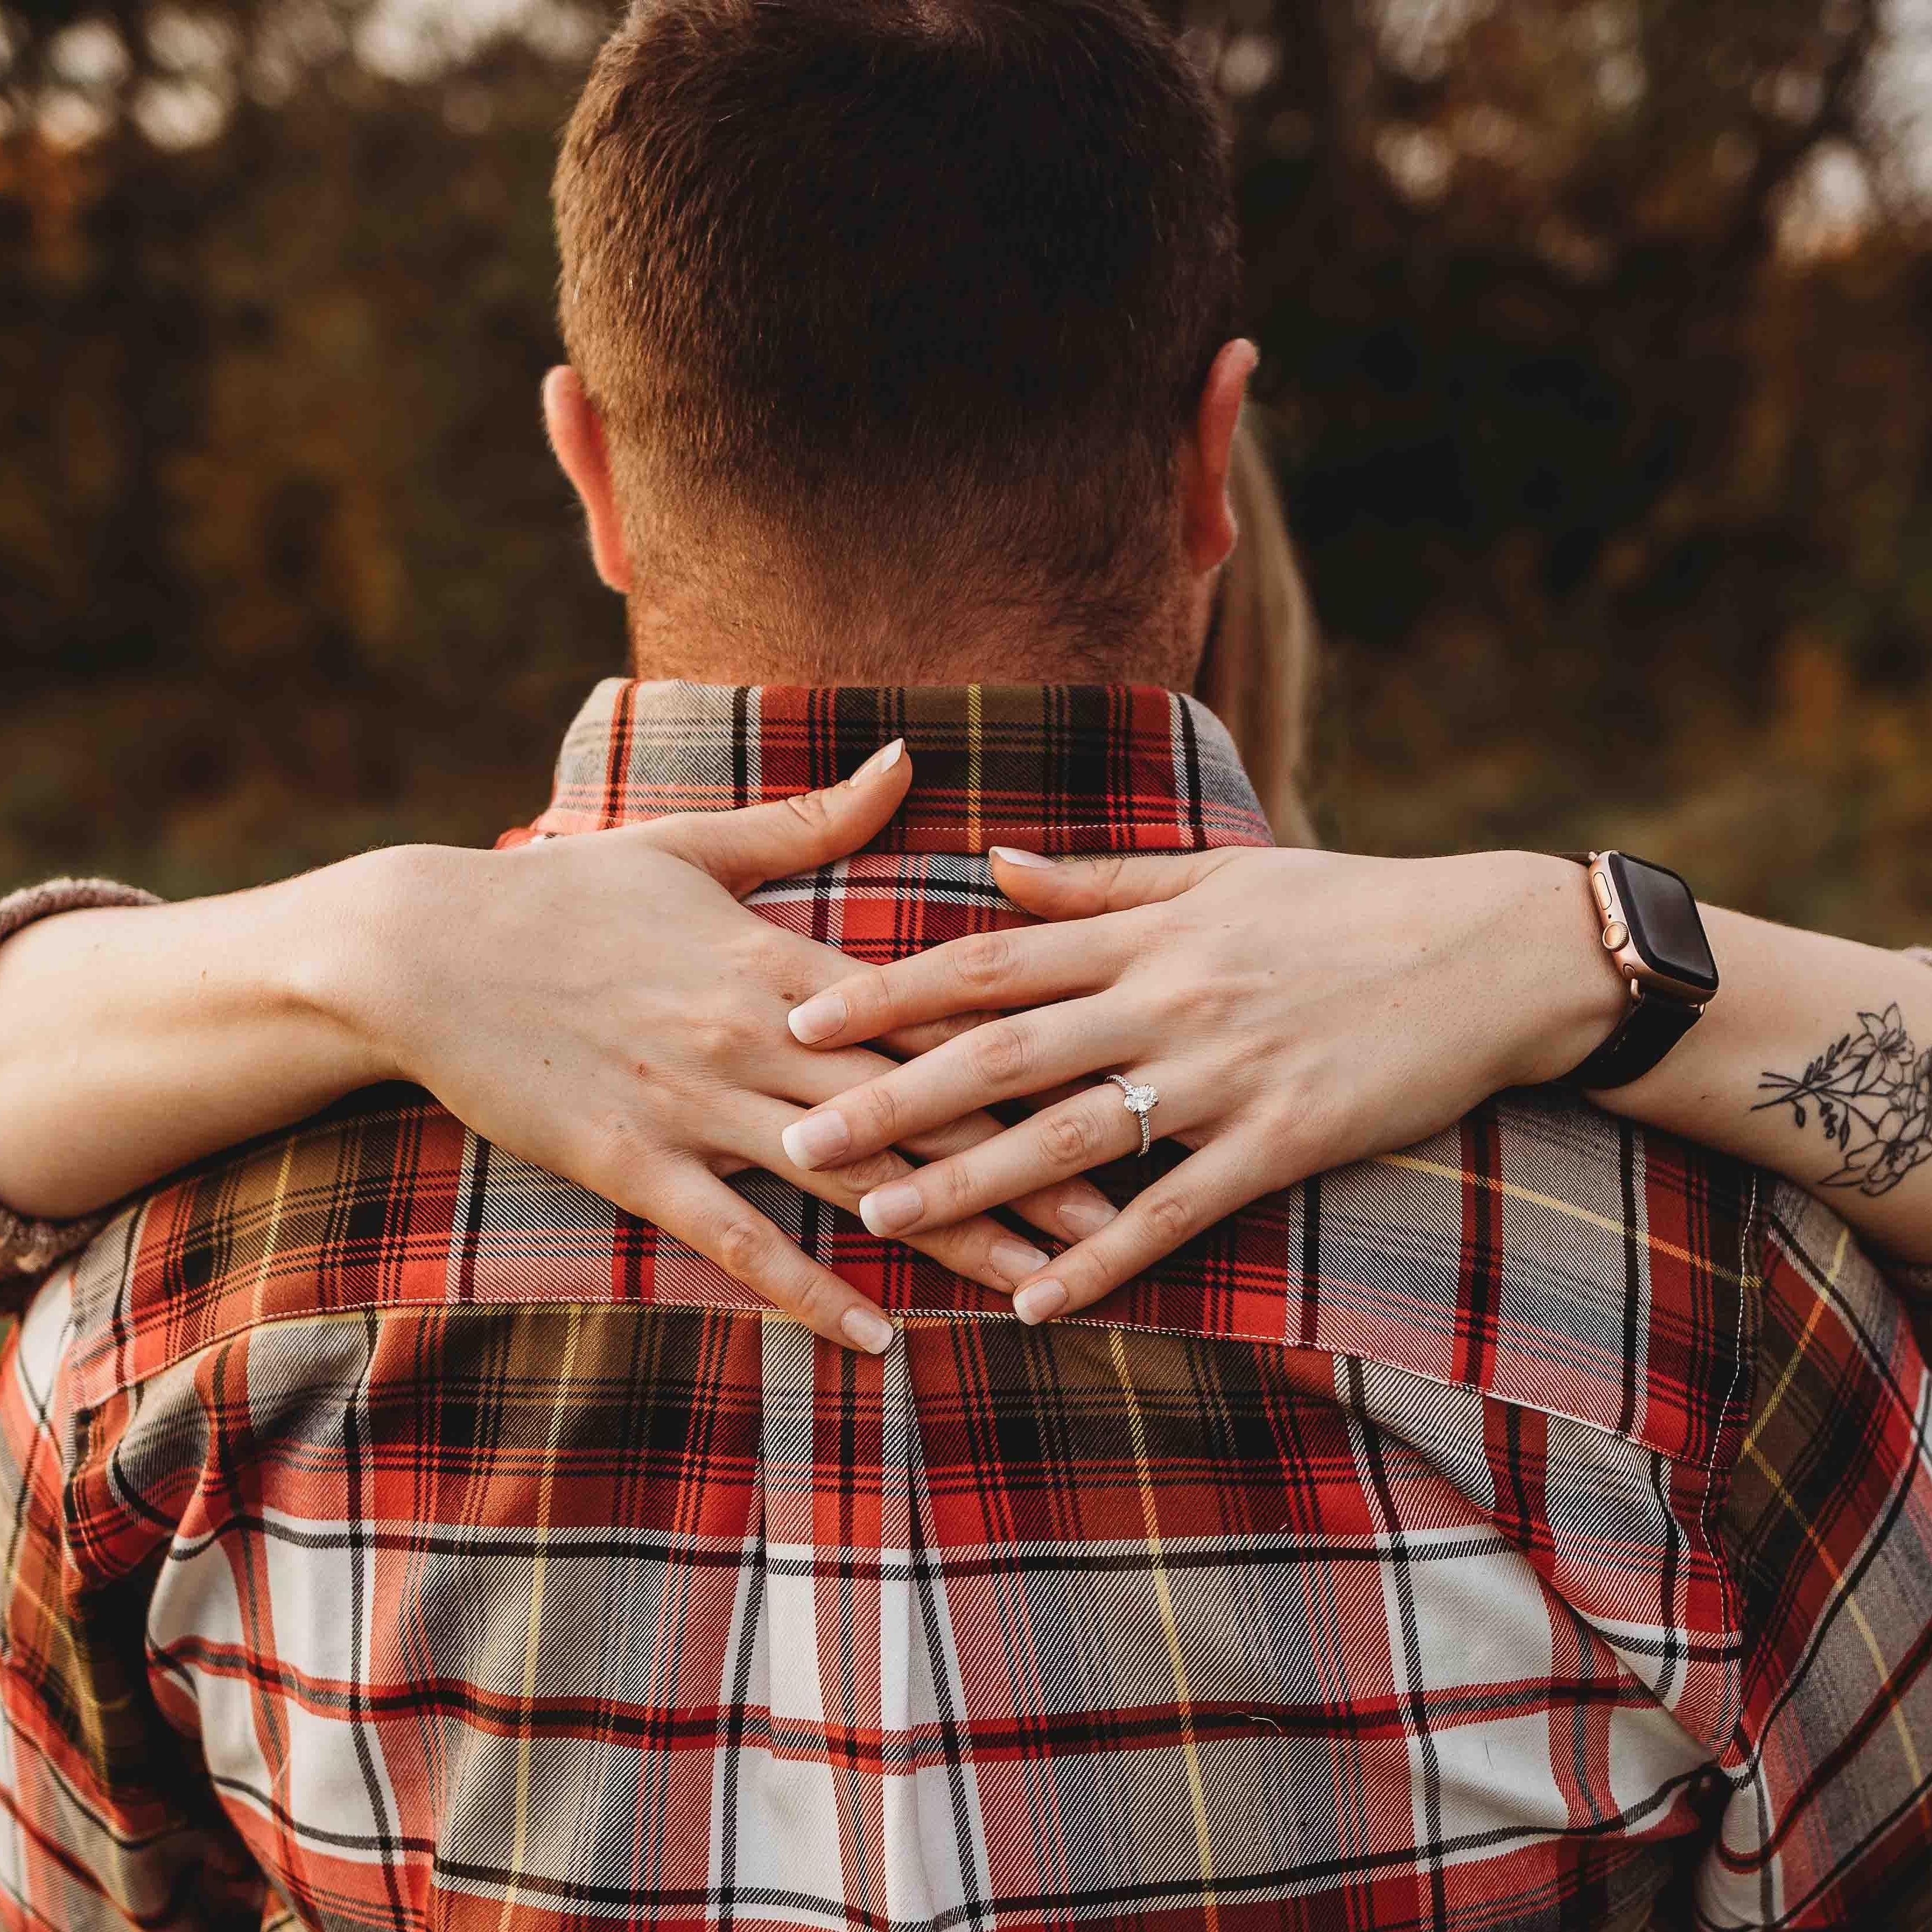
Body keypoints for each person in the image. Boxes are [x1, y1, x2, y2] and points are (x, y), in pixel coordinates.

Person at [1, 3, 1929, 1927]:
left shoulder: (156, 1305)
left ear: (586, 468)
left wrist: (351, 943)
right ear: (1212, 457)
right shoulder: (1702, 1304)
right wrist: (1588, 942)